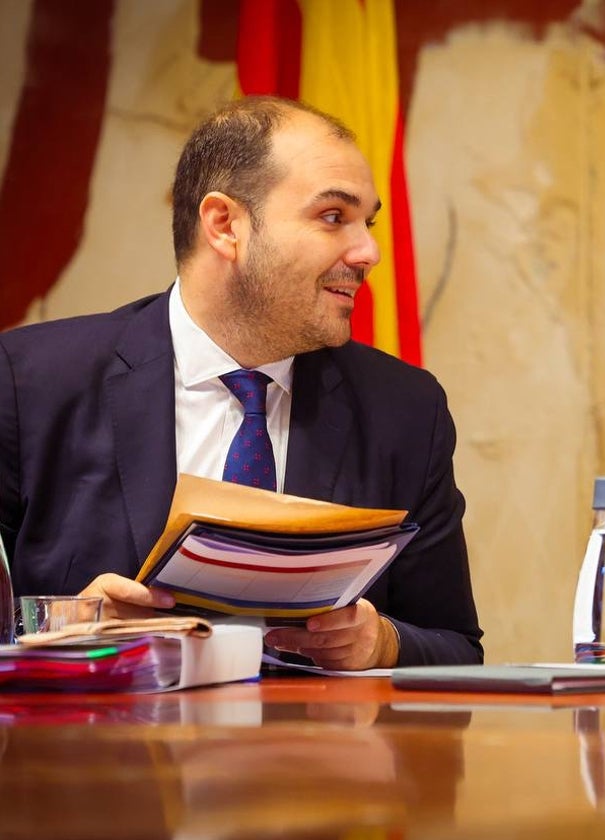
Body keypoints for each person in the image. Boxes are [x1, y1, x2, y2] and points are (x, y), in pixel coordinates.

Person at [0, 96, 482, 670]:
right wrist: (69, 628)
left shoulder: (404, 408)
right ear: (225, 225)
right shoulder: (30, 383)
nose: (369, 252)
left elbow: (455, 645)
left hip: (317, 756)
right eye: (333, 217)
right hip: (101, 755)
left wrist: (385, 643)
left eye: (368, 222)